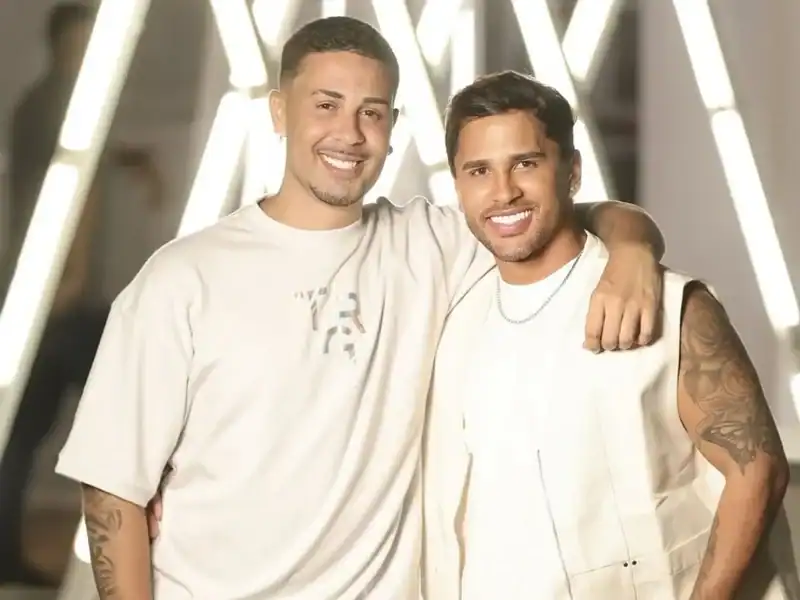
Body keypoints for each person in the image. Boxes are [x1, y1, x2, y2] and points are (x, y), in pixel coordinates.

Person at [55, 17, 664, 599]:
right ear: (279, 111)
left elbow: (561, 216)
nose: (349, 133)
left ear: (392, 127)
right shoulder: (180, 280)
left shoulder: (431, 245)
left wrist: (633, 248)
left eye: (370, 112)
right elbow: (113, 490)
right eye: (326, 105)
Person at [422, 71, 796, 599]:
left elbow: (758, 472)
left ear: (572, 172)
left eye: (526, 163)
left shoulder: (669, 302)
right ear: (458, 184)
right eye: (479, 170)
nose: (503, 191)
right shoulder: (455, 315)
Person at [0, 2, 159, 585]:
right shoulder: (72, 101)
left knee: (26, 431)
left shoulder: (41, 100)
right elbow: (78, 187)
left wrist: (133, 161)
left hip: (43, 293)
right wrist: (71, 278)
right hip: (65, 298)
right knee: (129, 427)